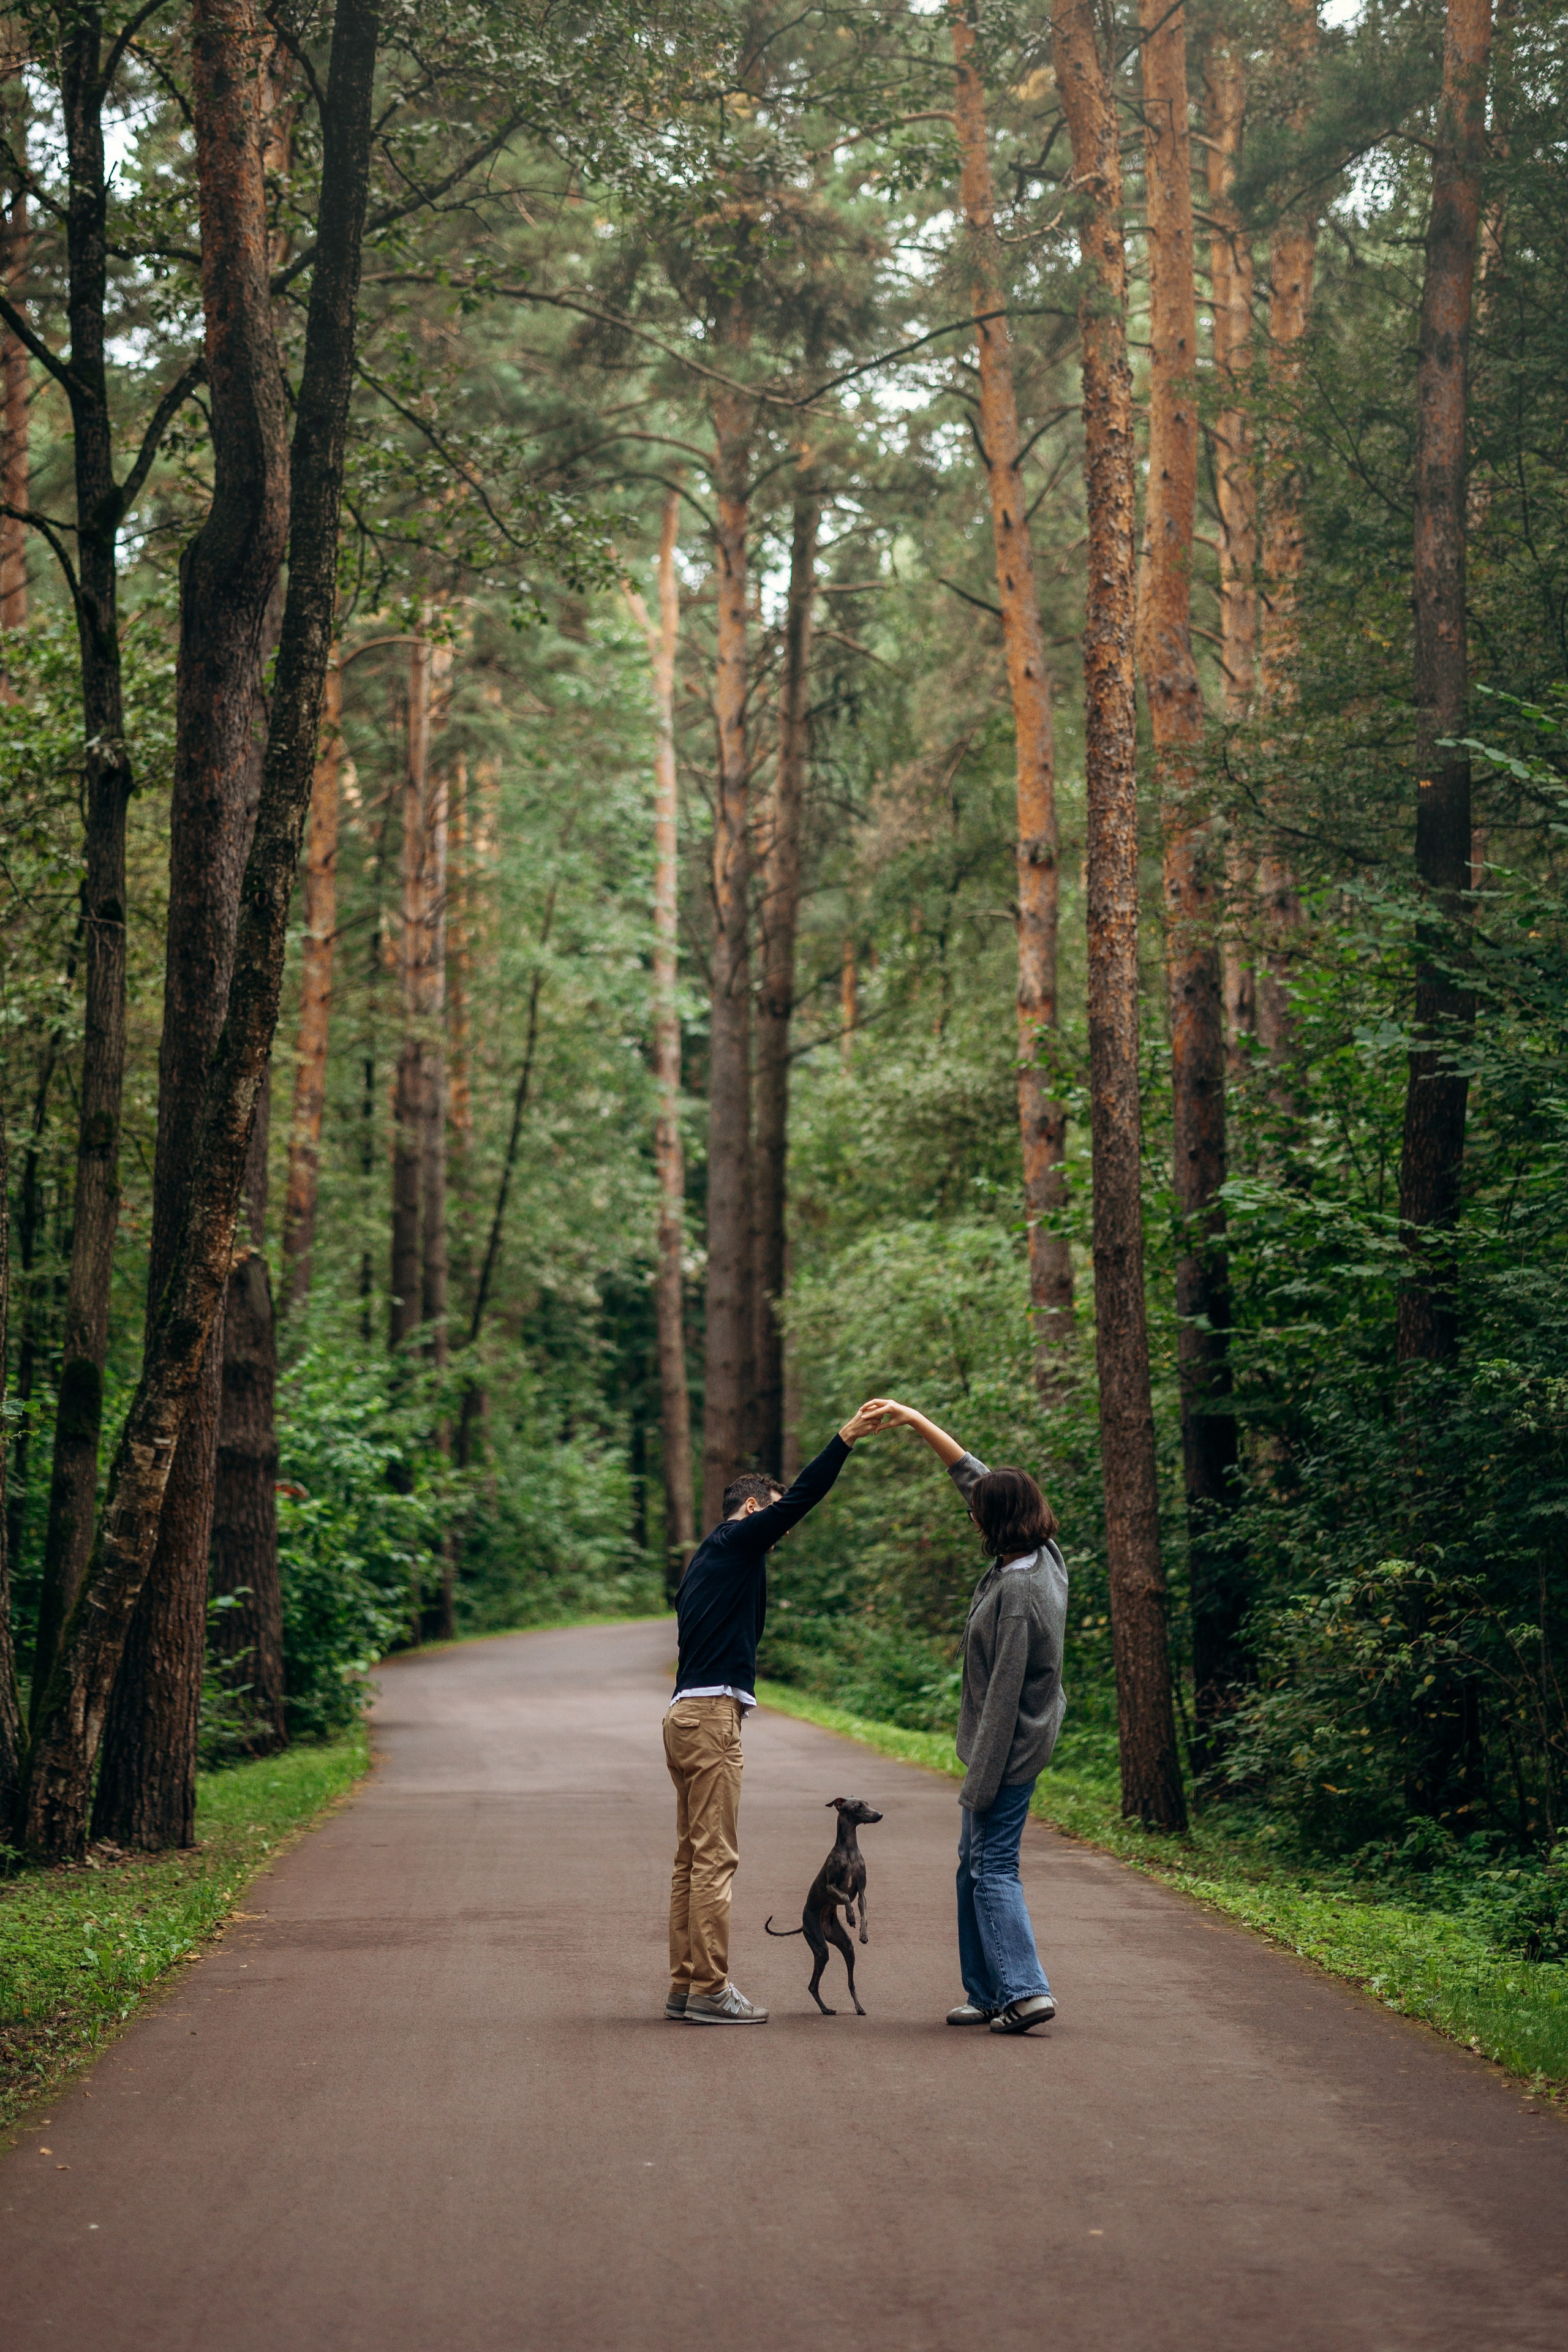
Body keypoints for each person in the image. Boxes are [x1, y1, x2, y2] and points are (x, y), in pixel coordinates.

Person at [664, 1404, 886, 2024]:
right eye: (776, 1519)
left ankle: (687, 1987)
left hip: (685, 1717)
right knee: (714, 1860)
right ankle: (710, 1990)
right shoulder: (738, 1539)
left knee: (692, 1860)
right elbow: (803, 1500)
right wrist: (842, 1441)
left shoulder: (709, 1557)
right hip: (709, 1719)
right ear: (756, 1509)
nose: (783, 1534)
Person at [862, 1399, 1066, 2034]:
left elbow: (1003, 1702)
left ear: (997, 1521)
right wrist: (912, 1419)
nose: (970, 1510)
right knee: (971, 1867)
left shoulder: (1018, 1594)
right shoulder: (1042, 1553)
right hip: (1011, 1744)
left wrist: (979, 1784)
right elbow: (972, 1474)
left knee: (991, 1869)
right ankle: (986, 1992)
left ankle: (1026, 1991)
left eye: (979, 1510)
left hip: (1006, 1752)